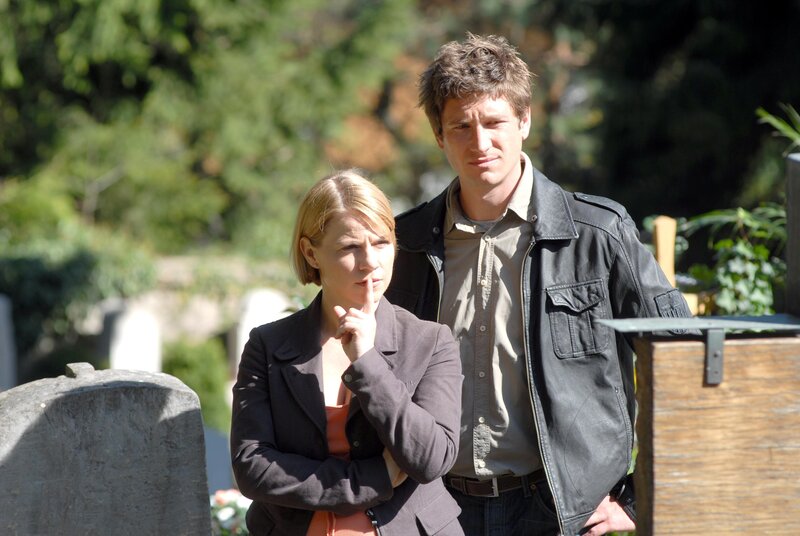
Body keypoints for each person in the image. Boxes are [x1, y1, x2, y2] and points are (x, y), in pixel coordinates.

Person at [384, 34, 692, 536]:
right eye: (460, 126)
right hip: (433, 508)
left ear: (524, 121)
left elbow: (684, 360)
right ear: (439, 135)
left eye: (494, 123)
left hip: (560, 514)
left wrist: (637, 500)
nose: (479, 143)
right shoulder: (404, 245)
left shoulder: (599, 234)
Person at [230, 170, 464, 536]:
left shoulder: (431, 342)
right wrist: (370, 479)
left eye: (381, 243)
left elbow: (432, 459)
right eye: (349, 247)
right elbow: (252, 467)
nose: (370, 262)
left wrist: (368, 364)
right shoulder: (268, 345)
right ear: (311, 252)